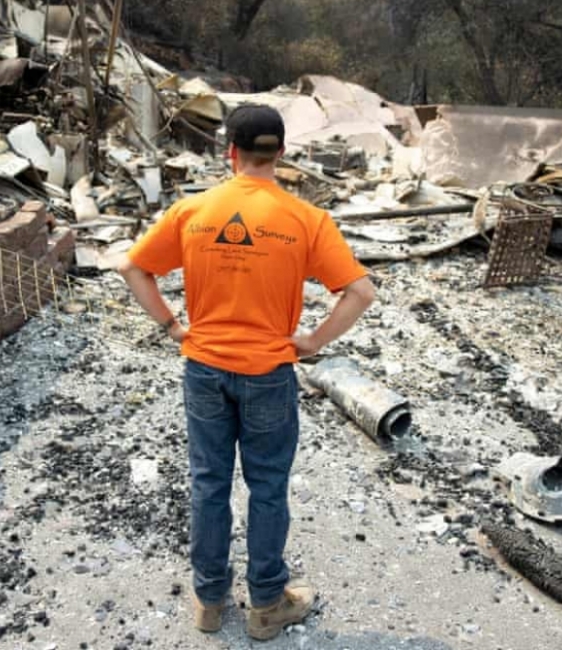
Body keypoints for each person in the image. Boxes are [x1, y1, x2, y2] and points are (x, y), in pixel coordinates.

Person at [118, 104, 375, 640]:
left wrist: (172, 327)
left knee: (209, 481)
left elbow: (132, 267)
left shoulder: (195, 210)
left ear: (228, 151)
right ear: (280, 153)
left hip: (204, 367)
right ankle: (265, 605)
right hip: (269, 374)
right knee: (267, 487)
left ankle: (209, 601)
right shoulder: (307, 219)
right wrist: (310, 343)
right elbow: (360, 293)